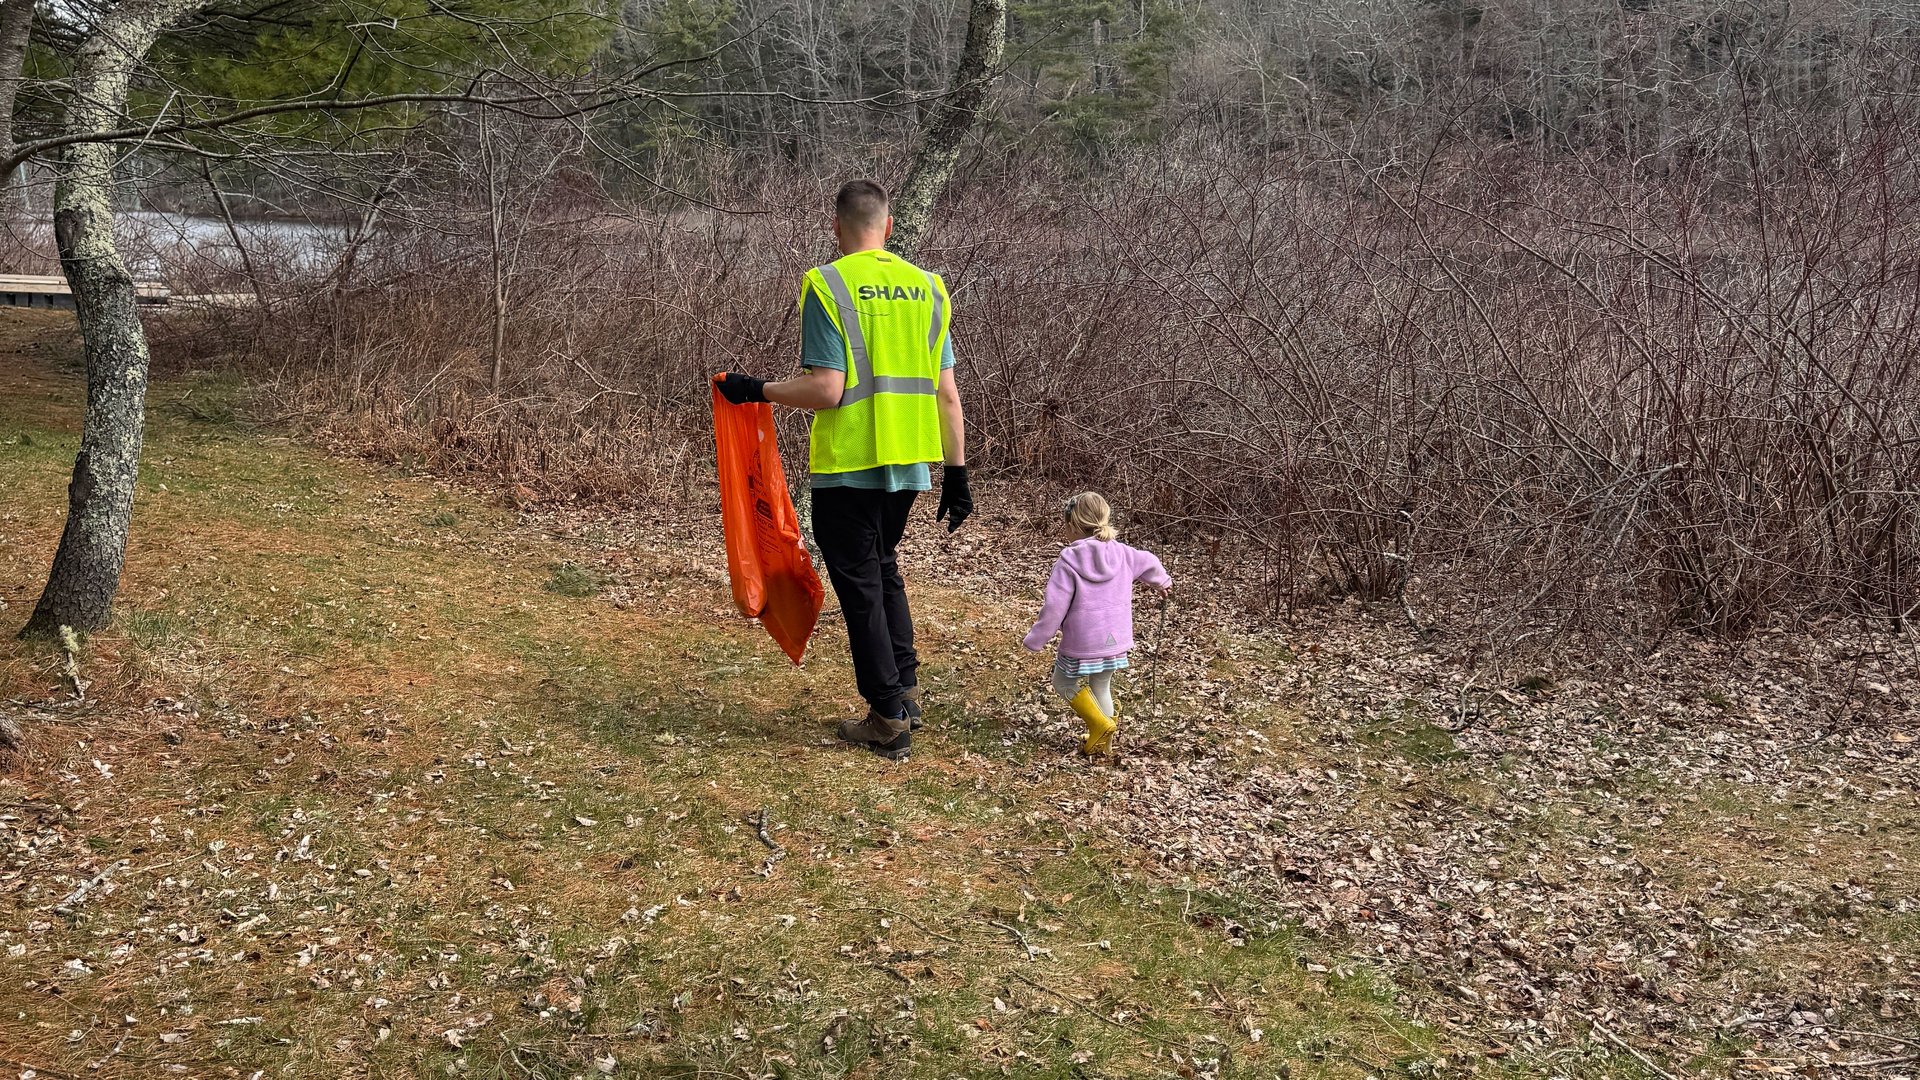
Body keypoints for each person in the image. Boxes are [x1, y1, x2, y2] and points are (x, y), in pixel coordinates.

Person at [714, 180, 971, 762]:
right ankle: (905, 689)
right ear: (887, 225)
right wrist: (957, 474)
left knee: (860, 587)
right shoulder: (929, 288)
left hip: (850, 463)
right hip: (910, 461)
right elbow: (948, 394)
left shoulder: (827, 284)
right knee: (883, 571)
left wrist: (758, 389)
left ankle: (887, 717)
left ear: (837, 227)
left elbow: (827, 391)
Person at [1022, 492, 1170, 756]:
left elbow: (1055, 607)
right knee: (1101, 685)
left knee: (1063, 683)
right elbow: (1149, 561)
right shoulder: (1123, 553)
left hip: (1082, 642)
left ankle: (1098, 723)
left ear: (1072, 525)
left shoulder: (1069, 560)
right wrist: (1162, 582)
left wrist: (1036, 639)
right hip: (1116, 639)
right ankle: (1102, 745)